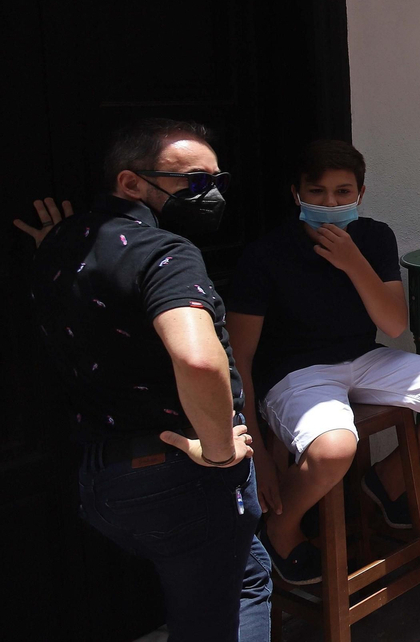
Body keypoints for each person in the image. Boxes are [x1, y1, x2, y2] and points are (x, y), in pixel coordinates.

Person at [26, 119, 270, 641]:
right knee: (232, 601)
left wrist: (56, 240)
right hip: (183, 474)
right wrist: (222, 450)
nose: (210, 196)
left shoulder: (60, 246)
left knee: (220, 587)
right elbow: (199, 361)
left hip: (103, 478)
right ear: (131, 183)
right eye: (194, 183)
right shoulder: (166, 253)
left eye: (217, 182)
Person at [229, 141, 420, 584]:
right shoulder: (265, 255)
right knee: (335, 450)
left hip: (364, 356)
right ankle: (280, 526)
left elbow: (392, 324)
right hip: (295, 371)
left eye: (342, 192)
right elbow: (240, 355)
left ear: (360, 194)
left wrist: (353, 262)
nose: (330, 203)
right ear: (296, 194)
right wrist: (257, 448)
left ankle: (386, 481)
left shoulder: (373, 237)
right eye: (317, 192)